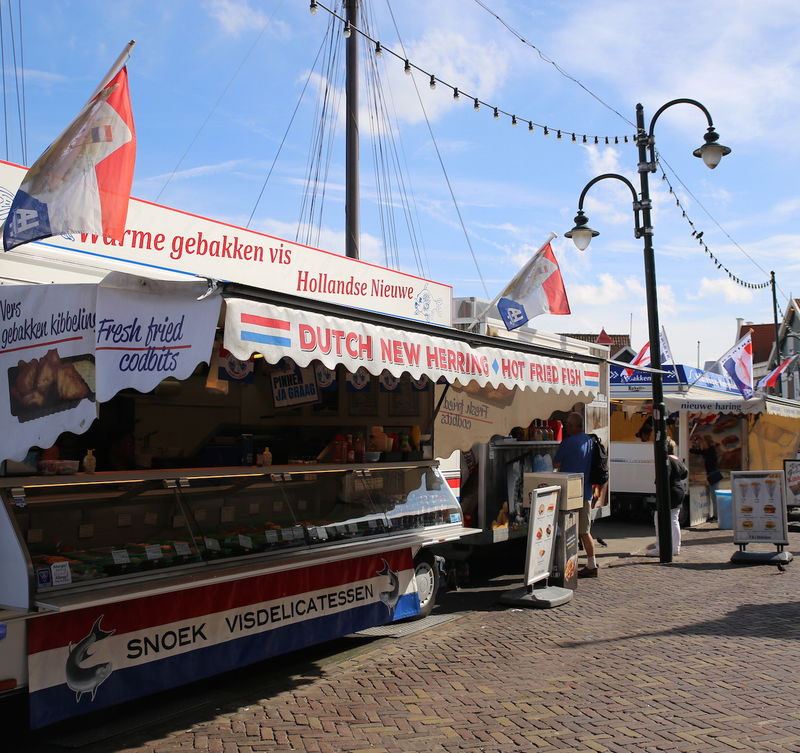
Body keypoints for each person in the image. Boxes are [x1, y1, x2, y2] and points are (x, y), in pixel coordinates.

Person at [554, 411, 599, 578]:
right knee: (584, 531)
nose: (566, 428)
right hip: (586, 491)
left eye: (567, 425)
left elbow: (556, 463)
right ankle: (591, 563)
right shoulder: (590, 441)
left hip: (568, 492)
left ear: (573, 426)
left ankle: (565, 564)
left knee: (565, 529)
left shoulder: (567, 442)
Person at [647, 437, 688, 556]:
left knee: (659, 518)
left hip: (670, 491)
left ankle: (661, 548)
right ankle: (675, 547)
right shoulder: (677, 459)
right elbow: (685, 473)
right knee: (674, 520)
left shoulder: (667, 460)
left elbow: (663, 477)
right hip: (678, 490)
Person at [690, 434, 721, 521]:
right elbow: (697, 451)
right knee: (714, 497)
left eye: (703, 442)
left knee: (714, 498)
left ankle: (716, 516)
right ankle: (716, 516)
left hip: (714, 475)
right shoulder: (710, 450)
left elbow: (699, 451)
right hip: (714, 475)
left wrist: (697, 444)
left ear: (706, 442)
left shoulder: (710, 450)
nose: (702, 443)